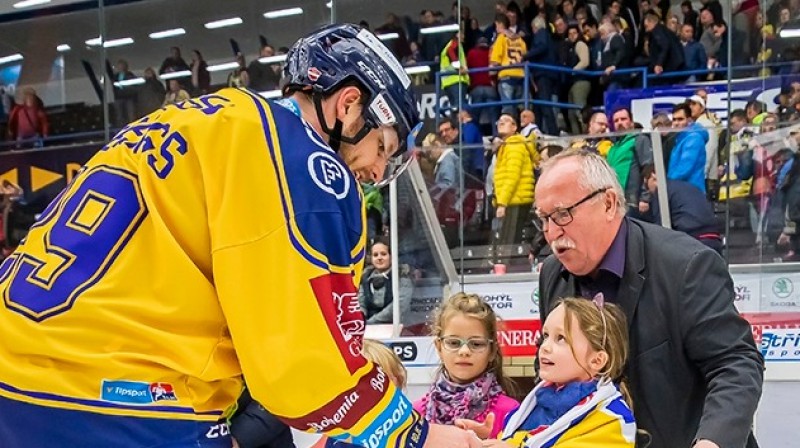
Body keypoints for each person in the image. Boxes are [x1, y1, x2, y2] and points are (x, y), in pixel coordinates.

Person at [0, 24, 480, 448]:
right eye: (382, 146)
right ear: (349, 103)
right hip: (118, 403)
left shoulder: (187, 119)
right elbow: (304, 368)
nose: (376, 169)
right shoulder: (305, 163)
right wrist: (418, 435)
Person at [534, 149, 764, 448]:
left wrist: (712, 441)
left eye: (563, 214)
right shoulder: (553, 274)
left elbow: (736, 363)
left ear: (608, 203)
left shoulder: (685, 265)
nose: (551, 232)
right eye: (544, 219)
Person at [483, 297, 635, 447]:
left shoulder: (611, 418)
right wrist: (483, 440)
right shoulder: (530, 406)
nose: (545, 347)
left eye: (561, 338)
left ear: (597, 360)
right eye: (546, 336)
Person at [415, 293, 519, 440]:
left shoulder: (509, 413)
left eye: (476, 344)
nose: (464, 351)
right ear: (439, 347)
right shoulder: (416, 414)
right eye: (453, 343)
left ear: (492, 351)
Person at [639, 164, 723, 254]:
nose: (649, 190)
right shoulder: (688, 187)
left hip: (692, 239)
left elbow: (660, 228)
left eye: (647, 184)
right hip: (713, 236)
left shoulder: (662, 192)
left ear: (653, 177)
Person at [358, 239, 413, 325]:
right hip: (369, 328)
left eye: (383, 254)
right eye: (375, 255)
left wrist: (372, 321)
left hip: (398, 327)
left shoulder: (402, 276)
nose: (379, 258)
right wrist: (360, 319)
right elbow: (360, 303)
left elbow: (399, 306)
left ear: (391, 256)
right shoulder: (365, 278)